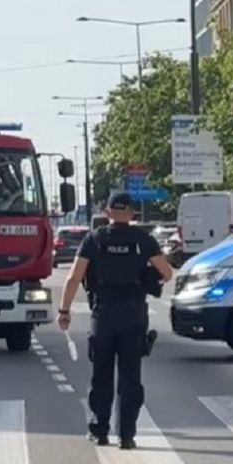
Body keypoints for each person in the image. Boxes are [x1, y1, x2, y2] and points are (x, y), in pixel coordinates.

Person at [58, 192, 173, 449]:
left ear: (108, 212)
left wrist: (64, 311)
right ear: (132, 213)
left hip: (104, 314)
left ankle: (100, 430)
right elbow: (166, 272)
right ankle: (127, 436)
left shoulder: (94, 239)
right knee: (130, 376)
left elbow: (74, 278)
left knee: (101, 375)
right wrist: (147, 276)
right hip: (133, 315)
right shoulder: (144, 240)